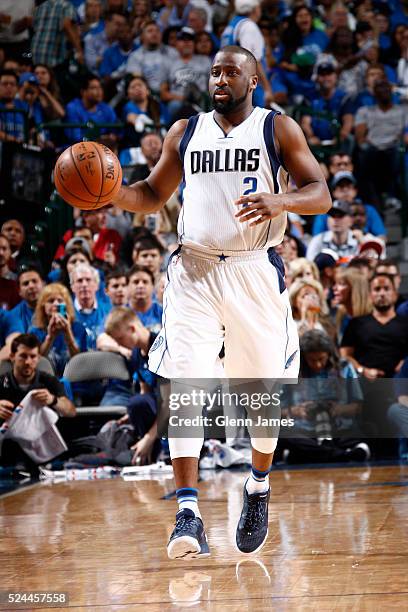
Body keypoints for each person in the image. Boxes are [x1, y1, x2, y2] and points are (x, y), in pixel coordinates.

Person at [109, 45, 331, 558]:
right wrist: (112, 193)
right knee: (186, 383)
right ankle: (187, 512)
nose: (220, 79)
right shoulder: (185, 132)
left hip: (255, 269)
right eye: (214, 72)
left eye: (232, 72)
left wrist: (283, 200)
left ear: (253, 81)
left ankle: (257, 486)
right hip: (195, 269)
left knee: (260, 397)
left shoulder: (279, 129)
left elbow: (320, 192)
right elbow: (150, 193)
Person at [220, 0, 273, 106]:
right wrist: (267, 88)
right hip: (247, 85)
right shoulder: (249, 27)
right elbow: (251, 59)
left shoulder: (232, 25)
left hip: (230, 81)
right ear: (255, 9)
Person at [29, 283, 87, 377]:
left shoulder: (78, 328)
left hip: (75, 380)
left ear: (66, 305)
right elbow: (35, 362)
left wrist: (68, 333)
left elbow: (81, 361)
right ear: (43, 306)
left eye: (60, 301)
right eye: (51, 301)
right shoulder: (35, 331)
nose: (56, 304)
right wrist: (50, 337)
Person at [127, 265, 163, 332]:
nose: (140, 286)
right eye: (136, 282)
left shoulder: (164, 313)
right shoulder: (119, 315)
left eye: (145, 282)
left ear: (153, 286)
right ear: (127, 286)